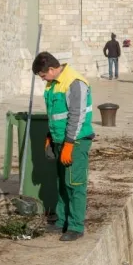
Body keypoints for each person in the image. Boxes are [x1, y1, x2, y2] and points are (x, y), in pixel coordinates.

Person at [33, 52, 93, 241]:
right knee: (62, 183)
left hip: (76, 142)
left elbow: (76, 116)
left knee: (75, 184)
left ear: (51, 69)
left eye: (43, 76)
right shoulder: (53, 84)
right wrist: (51, 136)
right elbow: (55, 114)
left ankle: (76, 226)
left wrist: (68, 144)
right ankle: (62, 220)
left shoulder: (75, 83)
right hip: (60, 140)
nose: (43, 80)